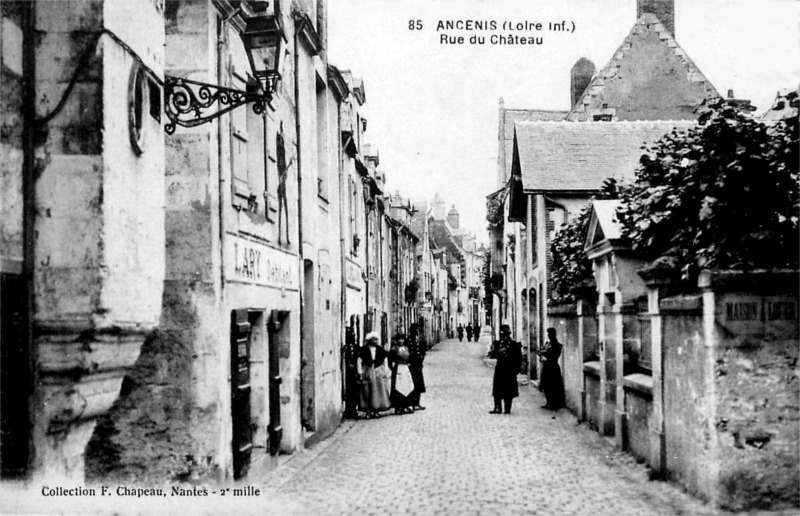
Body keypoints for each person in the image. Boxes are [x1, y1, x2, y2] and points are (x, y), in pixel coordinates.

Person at [487, 324, 522, 414]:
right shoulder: (497, 344)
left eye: (506, 334)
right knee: (498, 389)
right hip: (500, 370)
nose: (504, 337)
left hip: (510, 370)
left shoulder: (514, 345)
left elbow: (518, 358)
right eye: (502, 335)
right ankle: (497, 407)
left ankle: (507, 408)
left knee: (509, 390)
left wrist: (516, 370)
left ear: (509, 334)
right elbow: (491, 355)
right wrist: (498, 351)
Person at [357, 332, 391, 418]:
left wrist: (385, 372)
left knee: (378, 390)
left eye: (377, 339)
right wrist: (360, 372)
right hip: (367, 370)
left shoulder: (380, 350)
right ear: (369, 340)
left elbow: (385, 361)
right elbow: (359, 361)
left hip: (377, 371)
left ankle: (376, 409)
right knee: (367, 391)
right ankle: (368, 410)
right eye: (374, 339)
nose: (376, 341)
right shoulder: (363, 350)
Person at [538, 328, 566, 410]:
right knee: (546, 385)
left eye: (550, 334)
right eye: (548, 334)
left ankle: (554, 403)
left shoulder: (557, 344)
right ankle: (548, 402)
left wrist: (544, 352)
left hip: (553, 367)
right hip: (546, 366)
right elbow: (540, 351)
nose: (549, 336)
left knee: (553, 385)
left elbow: (553, 354)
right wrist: (542, 353)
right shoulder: (547, 343)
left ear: (554, 335)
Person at [388, 334, 415, 414]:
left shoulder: (406, 348)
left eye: (402, 339)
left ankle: (406, 405)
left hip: (406, 368)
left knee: (407, 386)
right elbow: (390, 360)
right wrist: (392, 368)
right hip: (398, 369)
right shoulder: (394, 349)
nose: (400, 341)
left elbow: (410, 358)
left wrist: (409, 364)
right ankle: (398, 407)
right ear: (396, 341)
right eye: (399, 339)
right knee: (398, 387)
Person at [407, 324, 426, 411]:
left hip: (418, 365)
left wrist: (421, 360)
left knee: (418, 385)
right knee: (412, 385)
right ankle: (412, 403)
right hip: (411, 365)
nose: (415, 331)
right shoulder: (408, 340)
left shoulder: (419, 340)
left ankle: (417, 403)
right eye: (413, 330)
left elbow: (422, 351)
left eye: (416, 330)